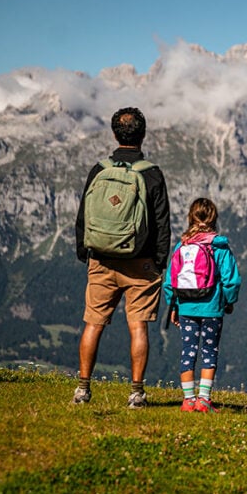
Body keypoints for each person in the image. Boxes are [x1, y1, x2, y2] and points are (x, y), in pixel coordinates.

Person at [73, 107, 171, 408]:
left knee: (93, 323)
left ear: (115, 134)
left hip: (102, 259)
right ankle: (136, 393)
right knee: (138, 326)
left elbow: (83, 215)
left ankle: (83, 389)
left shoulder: (99, 169)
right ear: (142, 135)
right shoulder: (151, 173)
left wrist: (84, 251)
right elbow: (162, 222)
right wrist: (159, 262)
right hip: (140, 264)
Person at [163, 197, 241, 413]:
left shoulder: (181, 246)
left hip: (186, 307)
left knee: (188, 351)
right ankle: (204, 400)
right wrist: (228, 302)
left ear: (190, 218)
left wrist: (174, 305)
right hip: (212, 307)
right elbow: (231, 280)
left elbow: (169, 282)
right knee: (209, 351)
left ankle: (188, 400)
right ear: (214, 219)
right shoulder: (219, 246)